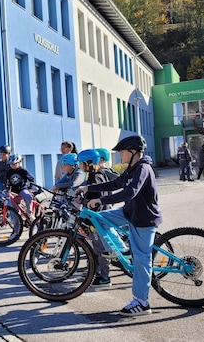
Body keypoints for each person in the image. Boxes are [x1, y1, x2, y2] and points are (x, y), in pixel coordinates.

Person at [75, 135, 162, 316]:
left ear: (132, 152)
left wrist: (101, 199)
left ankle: (142, 302)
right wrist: (88, 188)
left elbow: (130, 192)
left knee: (141, 259)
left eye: (122, 152)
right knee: (97, 218)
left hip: (143, 219)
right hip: (129, 212)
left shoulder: (143, 168)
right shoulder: (132, 169)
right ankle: (121, 250)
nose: (119, 156)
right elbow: (116, 183)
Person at [77, 149, 113, 287]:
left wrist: (88, 204)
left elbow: (98, 197)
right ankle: (96, 271)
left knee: (100, 248)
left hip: (98, 218)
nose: (80, 166)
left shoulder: (96, 177)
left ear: (89, 163)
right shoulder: (95, 175)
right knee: (96, 247)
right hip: (96, 216)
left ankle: (105, 276)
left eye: (81, 163)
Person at [3, 154, 36, 221]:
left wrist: (30, 188)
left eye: (14, 164)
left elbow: (31, 179)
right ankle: (17, 229)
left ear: (19, 163)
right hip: (13, 192)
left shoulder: (23, 171)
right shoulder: (9, 172)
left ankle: (29, 212)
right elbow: (7, 182)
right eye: (11, 164)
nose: (12, 165)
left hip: (22, 189)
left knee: (28, 197)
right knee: (15, 211)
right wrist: (7, 188)